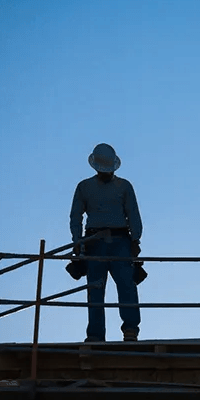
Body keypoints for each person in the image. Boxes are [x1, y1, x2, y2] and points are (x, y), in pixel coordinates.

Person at [70, 143, 143, 343]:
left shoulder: (123, 186)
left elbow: (133, 215)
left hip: (118, 241)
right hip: (95, 241)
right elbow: (75, 217)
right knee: (96, 289)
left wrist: (135, 239)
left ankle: (129, 330)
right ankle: (95, 334)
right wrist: (77, 242)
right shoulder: (85, 187)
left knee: (125, 286)